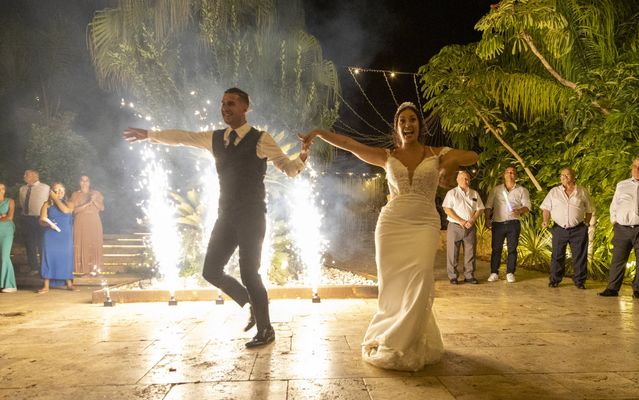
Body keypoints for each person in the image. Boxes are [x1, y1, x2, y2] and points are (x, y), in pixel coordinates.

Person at [300, 101, 478, 371]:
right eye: (402, 121)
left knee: (420, 276)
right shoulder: (386, 156)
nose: (408, 125)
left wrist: (450, 161)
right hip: (392, 224)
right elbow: (349, 143)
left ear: (420, 125)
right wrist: (318, 133)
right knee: (393, 285)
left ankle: (401, 340)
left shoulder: (436, 153)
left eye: (413, 120)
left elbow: (472, 156)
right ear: (397, 128)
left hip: (424, 223)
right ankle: (394, 336)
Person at [123, 87, 308, 348]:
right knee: (210, 270)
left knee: (249, 273)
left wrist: (302, 157)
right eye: (223, 103)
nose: (225, 108)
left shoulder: (260, 139)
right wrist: (149, 135)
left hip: (252, 215)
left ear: (245, 108)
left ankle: (266, 330)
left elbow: (289, 169)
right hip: (226, 215)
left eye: (231, 103)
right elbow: (183, 137)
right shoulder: (215, 138)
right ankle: (251, 304)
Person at [540, 168, 594, 289]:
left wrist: (586, 223)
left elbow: (589, 209)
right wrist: (545, 221)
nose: (564, 177)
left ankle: (580, 281)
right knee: (557, 255)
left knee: (579, 256)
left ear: (574, 177)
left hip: (578, 229)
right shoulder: (554, 191)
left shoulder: (582, 191)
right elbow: (546, 208)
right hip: (559, 229)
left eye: (567, 175)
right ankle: (554, 280)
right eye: (562, 175)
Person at [599, 156, 639, 299]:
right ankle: (612, 288)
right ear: (632, 168)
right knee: (618, 259)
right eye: (635, 166)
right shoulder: (622, 185)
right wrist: (614, 221)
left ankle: (638, 289)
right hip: (622, 228)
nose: (637, 170)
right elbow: (614, 205)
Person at [485, 166, 531, 283]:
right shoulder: (496, 190)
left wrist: (519, 211)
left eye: (513, 173)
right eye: (508, 172)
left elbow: (527, 206)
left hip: (513, 223)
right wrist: (487, 219)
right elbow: (489, 206)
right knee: (496, 249)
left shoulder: (522, 190)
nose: (510, 174)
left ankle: (510, 272)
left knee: (512, 249)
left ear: (516, 176)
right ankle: (494, 272)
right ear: (504, 175)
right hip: (498, 223)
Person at [442, 170, 484, 284]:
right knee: (452, 252)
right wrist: (461, 221)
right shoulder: (451, 193)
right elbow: (447, 209)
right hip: (455, 226)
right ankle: (453, 276)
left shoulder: (474, 193)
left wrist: (473, 219)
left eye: (466, 179)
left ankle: (469, 275)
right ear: (457, 180)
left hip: (470, 227)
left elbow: (480, 209)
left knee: (470, 252)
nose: (464, 181)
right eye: (462, 178)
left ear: (469, 180)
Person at [38, 182, 75, 293]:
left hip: (65, 235)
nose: (60, 193)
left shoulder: (70, 204)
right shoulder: (46, 204)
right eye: (57, 190)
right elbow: (41, 221)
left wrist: (55, 198)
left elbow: (65, 210)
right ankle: (46, 285)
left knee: (66, 257)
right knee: (49, 257)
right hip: (51, 235)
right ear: (52, 192)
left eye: (62, 190)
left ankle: (69, 283)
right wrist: (48, 224)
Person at [70, 175, 104, 275]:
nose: (84, 183)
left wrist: (94, 200)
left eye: (86, 181)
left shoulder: (96, 193)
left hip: (94, 221)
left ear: (89, 182)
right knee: (80, 243)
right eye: (82, 181)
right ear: (79, 182)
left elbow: (101, 208)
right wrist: (87, 203)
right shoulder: (75, 194)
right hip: (80, 221)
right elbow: (74, 210)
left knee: (94, 243)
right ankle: (81, 270)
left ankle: (94, 270)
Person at [18, 170, 49, 274]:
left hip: (40, 218)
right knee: (30, 244)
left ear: (35, 176)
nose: (24, 176)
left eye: (26, 174)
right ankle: (34, 268)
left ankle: (43, 268)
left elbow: (50, 203)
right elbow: (22, 203)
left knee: (41, 243)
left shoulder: (45, 188)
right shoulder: (22, 189)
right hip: (27, 218)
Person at [0, 183, 17, 293]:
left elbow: (10, 217)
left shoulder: (10, 201)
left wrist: (4, 217)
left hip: (6, 230)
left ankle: (10, 285)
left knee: (5, 256)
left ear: (4, 190)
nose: (0, 190)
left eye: (2, 188)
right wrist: (2, 216)